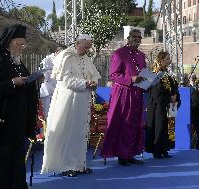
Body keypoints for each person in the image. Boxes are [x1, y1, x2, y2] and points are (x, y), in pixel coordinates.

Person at [0, 24, 40, 189]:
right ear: (9, 43)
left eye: (23, 44)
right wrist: (12, 83)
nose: (21, 47)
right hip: (2, 122)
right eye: (18, 43)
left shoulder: (18, 64)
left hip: (17, 121)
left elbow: (25, 84)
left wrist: (32, 81)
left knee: (17, 158)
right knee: (2, 160)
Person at [41, 34, 101, 177]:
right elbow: (64, 80)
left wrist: (93, 83)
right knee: (68, 132)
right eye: (85, 47)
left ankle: (79, 165)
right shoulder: (66, 56)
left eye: (88, 47)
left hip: (83, 100)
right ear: (77, 43)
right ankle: (67, 166)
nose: (87, 50)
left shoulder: (85, 58)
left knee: (80, 133)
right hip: (68, 100)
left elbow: (94, 75)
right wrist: (85, 84)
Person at [100, 29, 146, 166]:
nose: (137, 39)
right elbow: (113, 75)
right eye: (134, 37)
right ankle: (121, 155)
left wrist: (147, 81)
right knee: (123, 123)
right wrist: (131, 79)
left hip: (137, 93)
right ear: (128, 37)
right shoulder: (119, 53)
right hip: (123, 94)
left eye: (139, 37)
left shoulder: (142, 55)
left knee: (135, 124)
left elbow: (142, 74)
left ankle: (131, 153)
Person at [145, 51, 181, 159]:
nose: (169, 61)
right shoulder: (154, 74)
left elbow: (173, 88)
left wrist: (175, 97)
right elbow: (156, 92)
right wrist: (169, 97)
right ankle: (157, 151)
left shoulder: (168, 74)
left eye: (169, 58)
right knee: (159, 127)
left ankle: (165, 149)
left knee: (167, 127)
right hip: (158, 105)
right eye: (167, 59)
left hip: (169, 105)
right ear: (160, 60)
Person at [39, 46, 61, 118]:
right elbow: (44, 78)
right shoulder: (47, 60)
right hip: (48, 92)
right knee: (48, 116)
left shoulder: (63, 61)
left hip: (58, 92)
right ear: (57, 51)